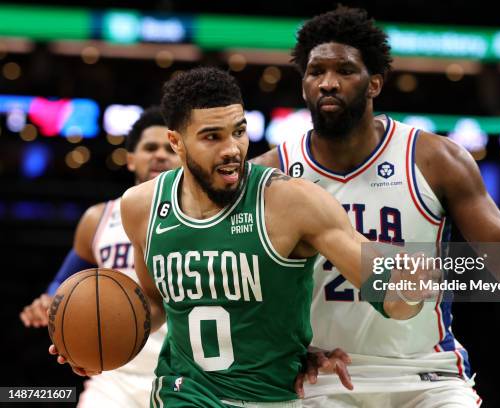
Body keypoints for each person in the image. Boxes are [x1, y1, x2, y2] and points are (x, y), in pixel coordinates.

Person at [252, 6, 500, 407]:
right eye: (315, 71)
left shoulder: (435, 159)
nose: (327, 83)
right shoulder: (272, 172)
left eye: (344, 70)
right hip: (323, 373)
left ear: (374, 83)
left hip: (426, 373)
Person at [76, 66, 422, 408]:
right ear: (176, 143)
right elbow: (154, 304)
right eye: (213, 136)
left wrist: (413, 285)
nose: (232, 149)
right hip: (184, 392)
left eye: (239, 131)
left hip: (273, 397)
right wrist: (98, 340)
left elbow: (393, 297)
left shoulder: (290, 200)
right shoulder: (141, 206)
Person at [21, 107, 180, 407]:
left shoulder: (201, 220)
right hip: (114, 375)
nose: (160, 155)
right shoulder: (99, 218)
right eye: (149, 147)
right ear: (131, 159)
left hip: (181, 376)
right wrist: (49, 300)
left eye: (168, 148)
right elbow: (63, 281)